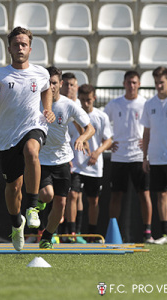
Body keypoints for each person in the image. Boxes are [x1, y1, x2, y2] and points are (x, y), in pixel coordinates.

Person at [0, 27, 55, 251]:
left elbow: (47, 90)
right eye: (16, 44)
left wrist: (47, 110)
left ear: (30, 48)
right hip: (8, 137)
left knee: (31, 151)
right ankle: (17, 223)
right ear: (9, 48)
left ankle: (33, 208)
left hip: (34, 126)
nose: (20, 48)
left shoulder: (41, 73)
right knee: (13, 187)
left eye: (24, 44)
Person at [37, 67, 95, 249]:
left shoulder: (68, 105)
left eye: (54, 83)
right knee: (47, 195)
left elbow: (90, 128)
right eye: (48, 83)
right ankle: (38, 201)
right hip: (41, 159)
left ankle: (47, 236)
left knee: (61, 204)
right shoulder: (35, 103)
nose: (51, 86)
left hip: (62, 160)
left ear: (60, 84)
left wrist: (82, 138)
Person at [104, 70, 154, 243]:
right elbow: (102, 123)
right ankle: (113, 231)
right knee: (116, 195)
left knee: (144, 194)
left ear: (139, 84)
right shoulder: (114, 104)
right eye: (128, 82)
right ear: (124, 84)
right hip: (119, 156)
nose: (131, 86)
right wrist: (109, 141)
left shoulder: (146, 104)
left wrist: (147, 141)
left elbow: (155, 126)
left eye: (134, 82)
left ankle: (147, 232)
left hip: (139, 156)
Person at [67, 84, 112, 242]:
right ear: (79, 98)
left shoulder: (101, 116)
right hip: (76, 164)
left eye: (89, 100)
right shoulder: (73, 116)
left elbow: (109, 140)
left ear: (94, 99)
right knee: (72, 195)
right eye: (83, 100)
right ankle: (72, 233)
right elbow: (66, 138)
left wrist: (97, 152)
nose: (86, 104)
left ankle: (92, 234)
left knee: (93, 200)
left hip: (94, 166)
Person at [141, 66, 167, 245]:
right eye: (156, 82)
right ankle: (166, 233)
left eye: (162, 82)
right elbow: (146, 133)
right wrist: (145, 157)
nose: (159, 86)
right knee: (162, 195)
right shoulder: (149, 104)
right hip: (157, 157)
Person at [60, 72, 85, 243]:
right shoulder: (55, 104)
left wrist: (84, 140)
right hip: (58, 158)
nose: (69, 88)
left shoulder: (78, 108)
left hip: (77, 161)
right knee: (54, 195)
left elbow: (87, 130)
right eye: (67, 84)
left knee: (75, 196)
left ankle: (73, 233)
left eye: (72, 85)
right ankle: (51, 232)